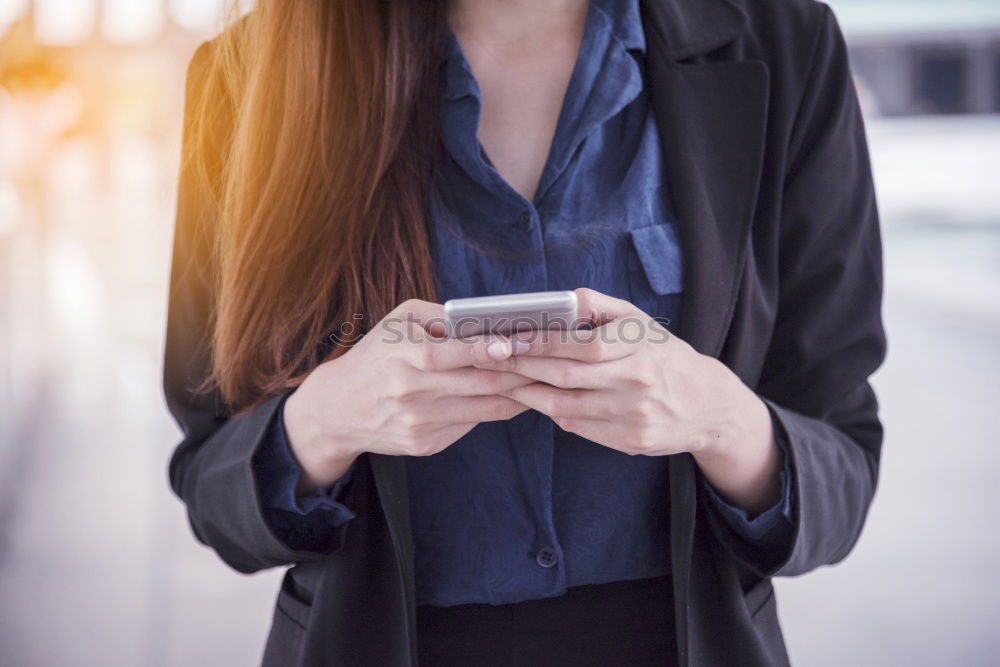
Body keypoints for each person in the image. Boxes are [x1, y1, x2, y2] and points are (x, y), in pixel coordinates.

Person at [163, 0, 887, 665]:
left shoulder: (784, 45)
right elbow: (212, 485)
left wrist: (717, 418)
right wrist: (322, 423)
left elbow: (842, 470)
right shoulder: (247, 79)